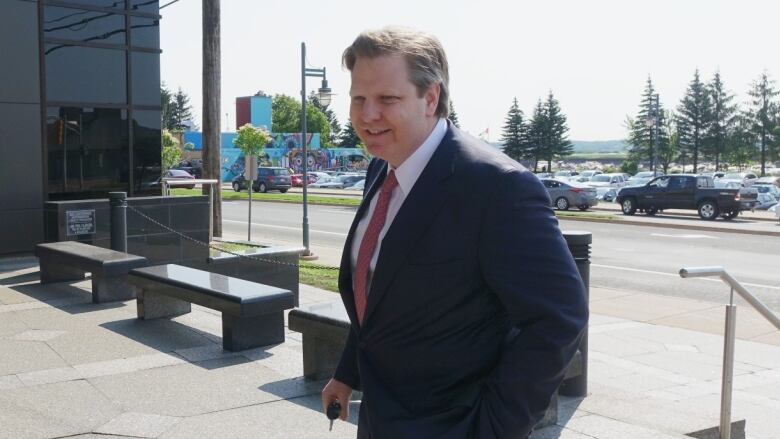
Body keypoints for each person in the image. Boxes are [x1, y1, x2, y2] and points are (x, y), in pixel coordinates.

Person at [321, 26, 588, 439]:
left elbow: (558, 318)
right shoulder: (382, 166)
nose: (367, 114)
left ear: (431, 98)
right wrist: (348, 373)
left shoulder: (496, 187)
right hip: (379, 418)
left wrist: (492, 428)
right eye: (359, 98)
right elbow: (379, 295)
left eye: (387, 99)